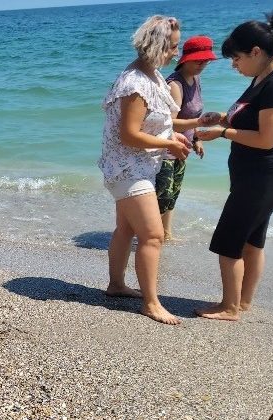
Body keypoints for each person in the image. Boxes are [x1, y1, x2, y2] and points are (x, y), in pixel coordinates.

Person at [195, 12, 273, 321]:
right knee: (252, 241)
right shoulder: (263, 76)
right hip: (258, 177)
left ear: (256, 52)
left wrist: (223, 133)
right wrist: (223, 119)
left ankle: (229, 307)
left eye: (237, 58)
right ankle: (244, 302)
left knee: (228, 241)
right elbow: (251, 119)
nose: (233, 64)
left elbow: (267, 138)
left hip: (265, 177)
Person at [98, 15, 191, 325]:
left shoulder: (151, 75)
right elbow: (128, 133)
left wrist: (174, 135)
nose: (177, 53)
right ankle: (151, 303)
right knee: (153, 235)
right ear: (158, 46)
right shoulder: (136, 82)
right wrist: (171, 145)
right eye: (173, 47)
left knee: (125, 229)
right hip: (127, 167)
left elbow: (154, 123)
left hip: (135, 165)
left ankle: (116, 285)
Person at [156, 36, 220, 240]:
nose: (203, 64)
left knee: (173, 195)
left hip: (182, 148)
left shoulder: (196, 80)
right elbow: (170, 122)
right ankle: (151, 235)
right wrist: (200, 124)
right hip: (165, 148)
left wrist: (196, 139)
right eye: (199, 60)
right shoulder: (175, 84)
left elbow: (191, 115)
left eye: (206, 61)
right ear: (186, 58)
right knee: (161, 196)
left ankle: (166, 234)